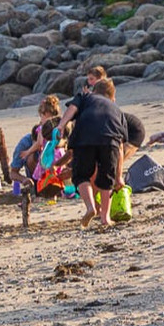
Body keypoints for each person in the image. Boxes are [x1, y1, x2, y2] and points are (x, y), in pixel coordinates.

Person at [64, 77, 127, 229]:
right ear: (111, 97)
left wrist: (61, 125)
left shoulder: (86, 96)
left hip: (85, 136)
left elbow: (72, 108)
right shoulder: (117, 110)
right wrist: (118, 177)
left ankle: (90, 208)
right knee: (107, 179)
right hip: (110, 140)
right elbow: (119, 147)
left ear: (94, 91)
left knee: (81, 175)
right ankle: (105, 218)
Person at [13, 96, 64, 180]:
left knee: (42, 173)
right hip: (58, 155)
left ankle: (40, 184)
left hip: (46, 157)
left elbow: (39, 143)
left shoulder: (42, 129)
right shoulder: (59, 128)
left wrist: (28, 151)